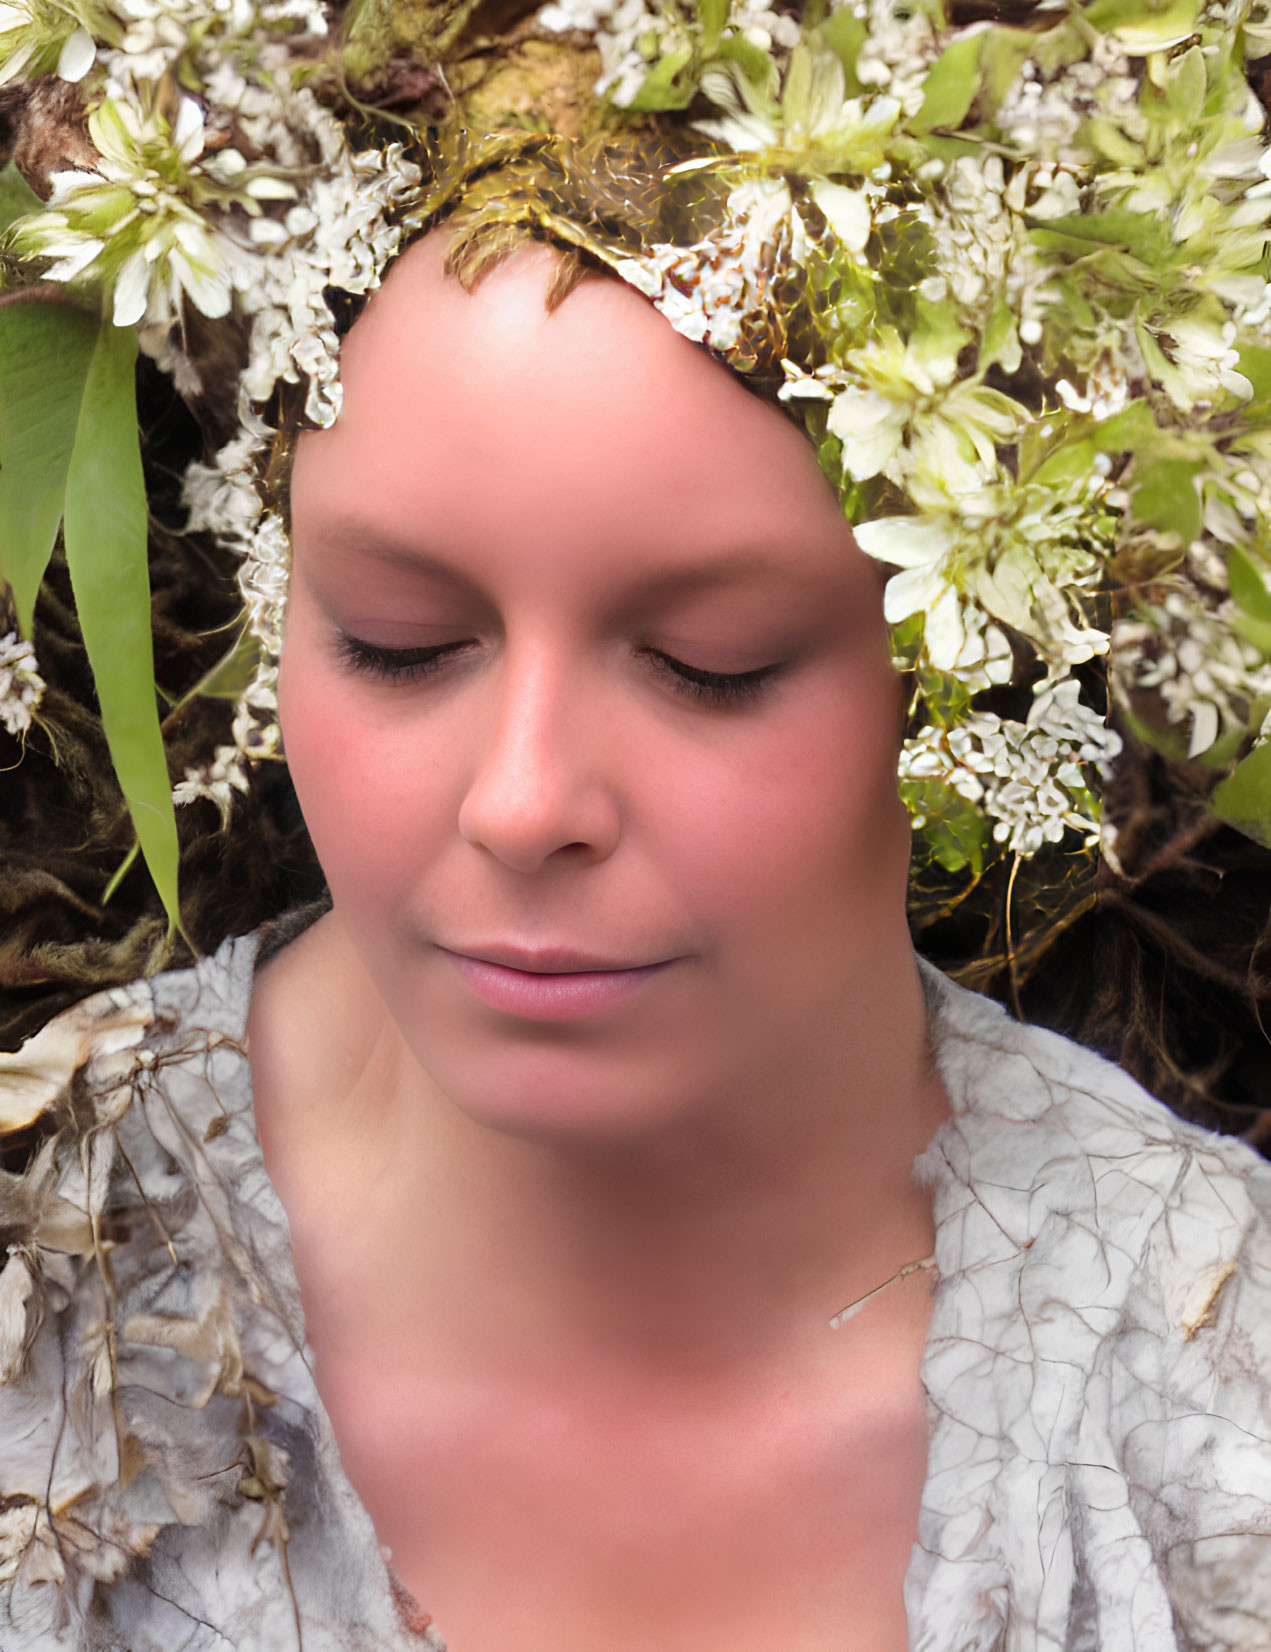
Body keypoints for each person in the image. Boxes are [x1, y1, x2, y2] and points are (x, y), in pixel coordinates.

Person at [4, 3, 1271, 1649]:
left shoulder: (1204, 1400)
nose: (524, 802)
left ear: (964, 680)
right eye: (398, 638)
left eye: (709, 666)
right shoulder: (50, 1288)